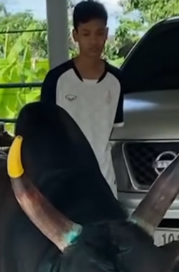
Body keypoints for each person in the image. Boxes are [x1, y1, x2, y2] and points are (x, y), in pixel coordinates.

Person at [40, 0, 124, 197]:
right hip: (66, 182)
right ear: (75, 35)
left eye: (99, 33)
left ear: (106, 33)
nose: (93, 41)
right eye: (86, 34)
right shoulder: (57, 80)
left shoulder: (116, 81)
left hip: (105, 181)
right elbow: (46, 133)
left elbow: (113, 129)